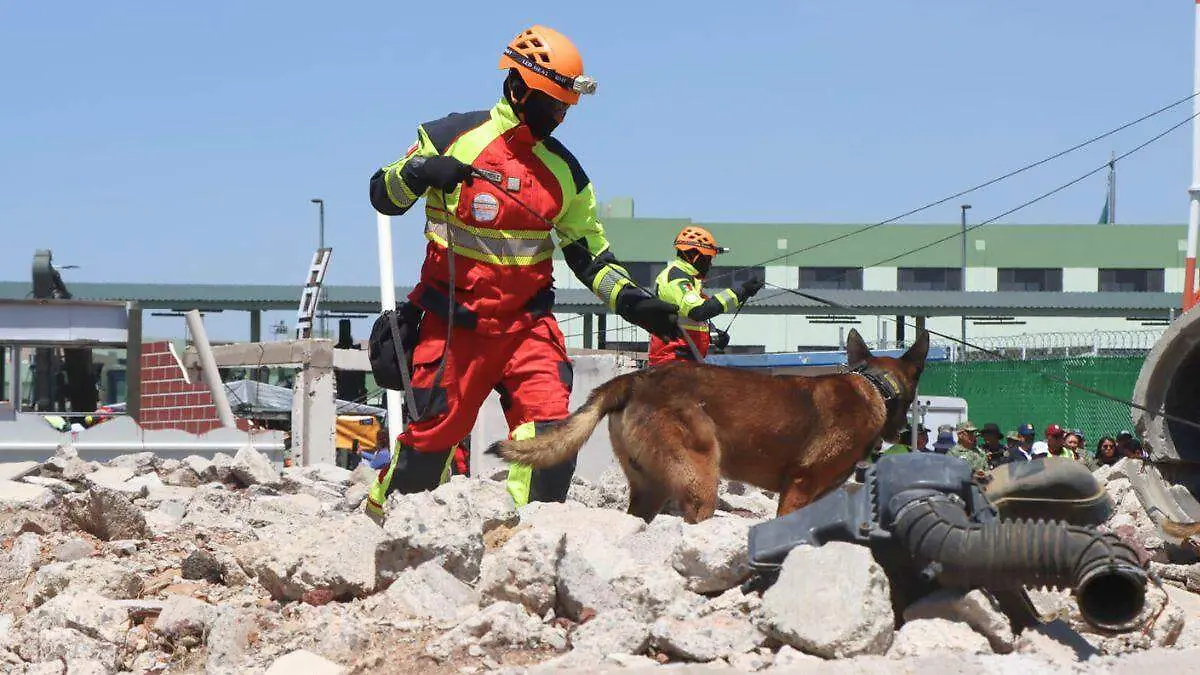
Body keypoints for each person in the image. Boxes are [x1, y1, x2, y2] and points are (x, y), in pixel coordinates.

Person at [365, 25, 681, 515]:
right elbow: (382, 195)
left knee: (554, 437)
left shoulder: (566, 174)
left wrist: (632, 302)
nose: (559, 117)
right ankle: (383, 524)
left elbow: (589, 254)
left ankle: (521, 540)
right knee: (432, 442)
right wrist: (421, 171)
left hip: (527, 328)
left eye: (564, 108)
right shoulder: (451, 137)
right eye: (552, 104)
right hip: (454, 325)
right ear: (517, 88)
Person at [647, 227, 762, 366]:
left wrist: (712, 335)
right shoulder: (675, 278)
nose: (710, 264)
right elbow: (699, 311)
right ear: (692, 255)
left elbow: (688, 319)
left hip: (685, 360)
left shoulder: (690, 280)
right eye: (707, 258)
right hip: (672, 362)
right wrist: (741, 292)